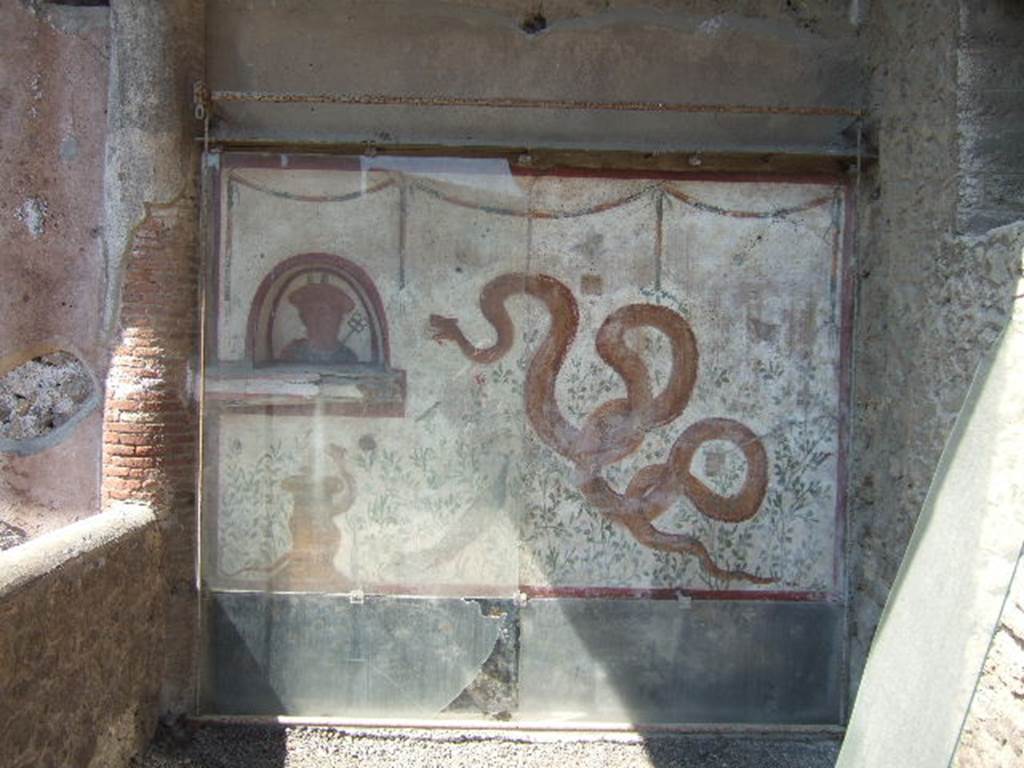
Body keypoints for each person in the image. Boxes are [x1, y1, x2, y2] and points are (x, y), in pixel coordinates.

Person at [280, 281, 359, 365]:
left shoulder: (347, 357)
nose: (317, 319)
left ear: (339, 319)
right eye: (310, 311)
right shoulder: (292, 353)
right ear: (303, 318)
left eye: (323, 312)